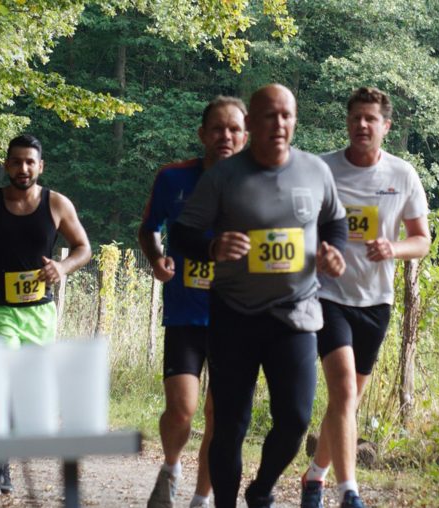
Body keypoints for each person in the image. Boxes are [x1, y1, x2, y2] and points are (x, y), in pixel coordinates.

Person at [171, 84, 348, 508]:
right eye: (269, 116)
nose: (279, 124)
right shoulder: (222, 177)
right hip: (235, 315)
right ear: (251, 124)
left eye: (286, 115)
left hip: (296, 315)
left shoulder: (315, 171)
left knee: (295, 419)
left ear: (295, 120)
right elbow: (182, 233)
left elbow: (335, 221)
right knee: (230, 425)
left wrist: (333, 252)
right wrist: (212, 247)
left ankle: (263, 487)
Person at [300, 87, 430, 508]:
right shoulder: (323, 169)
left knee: (347, 402)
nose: (362, 125)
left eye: (370, 119)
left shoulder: (403, 175)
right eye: (356, 117)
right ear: (347, 122)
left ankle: (315, 477)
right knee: (341, 391)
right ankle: (349, 491)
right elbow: (298, 226)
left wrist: (393, 248)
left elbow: (422, 241)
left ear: (385, 127)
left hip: (376, 300)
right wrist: (319, 250)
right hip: (328, 294)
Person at [0, 134, 92, 495]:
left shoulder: (57, 204)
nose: (23, 168)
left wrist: (63, 266)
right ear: (6, 165)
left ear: (40, 167)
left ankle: (3, 466)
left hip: (40, 311)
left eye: (30, 162)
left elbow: (83, 248)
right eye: (16, 161)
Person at [140, 96, 249, 508]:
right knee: (182, 409)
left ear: (246, 135)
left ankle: (202, 499)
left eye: (234, 129)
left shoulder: (262, 181)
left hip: (238, 317)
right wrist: (156, 259)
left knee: (219, 419)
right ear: (202, 134)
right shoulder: (173, 179)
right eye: (217, 129)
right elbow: (148, 229)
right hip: (187, 314)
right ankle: (170, 467)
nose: (226, 136)